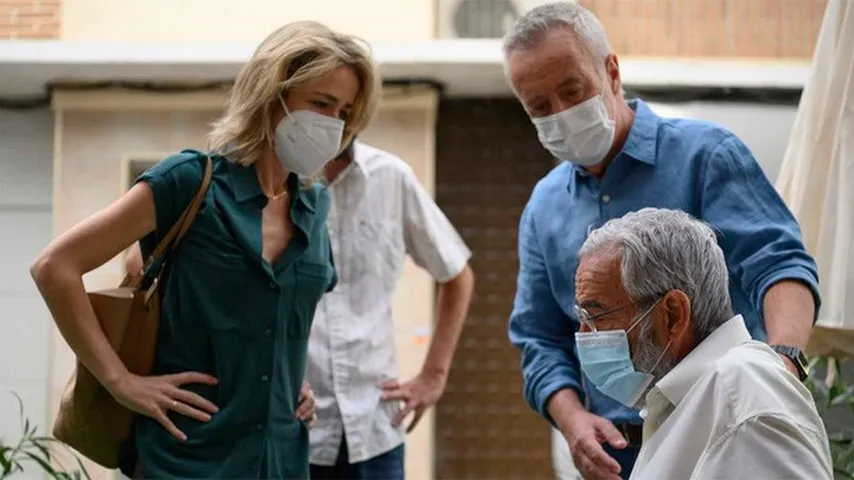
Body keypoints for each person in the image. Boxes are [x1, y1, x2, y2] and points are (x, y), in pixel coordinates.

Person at [29, 20, 379, 479]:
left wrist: (290, 380)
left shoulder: (315, 208)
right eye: (320, 103)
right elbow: (56, 266)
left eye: (343, 112)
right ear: (272, 95)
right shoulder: (190, 180)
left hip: (282, 461)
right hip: (186, 461)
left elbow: (280, 319)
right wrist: (121, 382)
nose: (332, 124)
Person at [502, 3, 820, 479]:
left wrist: (784, 361)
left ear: (611, 71)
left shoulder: (706, 156)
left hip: (717, 426)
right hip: (609, 451)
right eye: (539, 107)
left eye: (572, 91)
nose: (561, 114)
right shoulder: (544, 206)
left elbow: (778, 264)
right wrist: (572, 422)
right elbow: (540, 337)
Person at [573, 208, 832, 480]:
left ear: (673, 314)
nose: (583, 334)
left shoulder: (741, 400)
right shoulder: (692, 400)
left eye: (596, 316)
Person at [306, 138, 475, 480]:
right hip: (291, 429)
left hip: (374, 428)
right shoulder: (273, 178)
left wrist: (433, 376)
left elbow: (457, 274)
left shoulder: (391, 177)